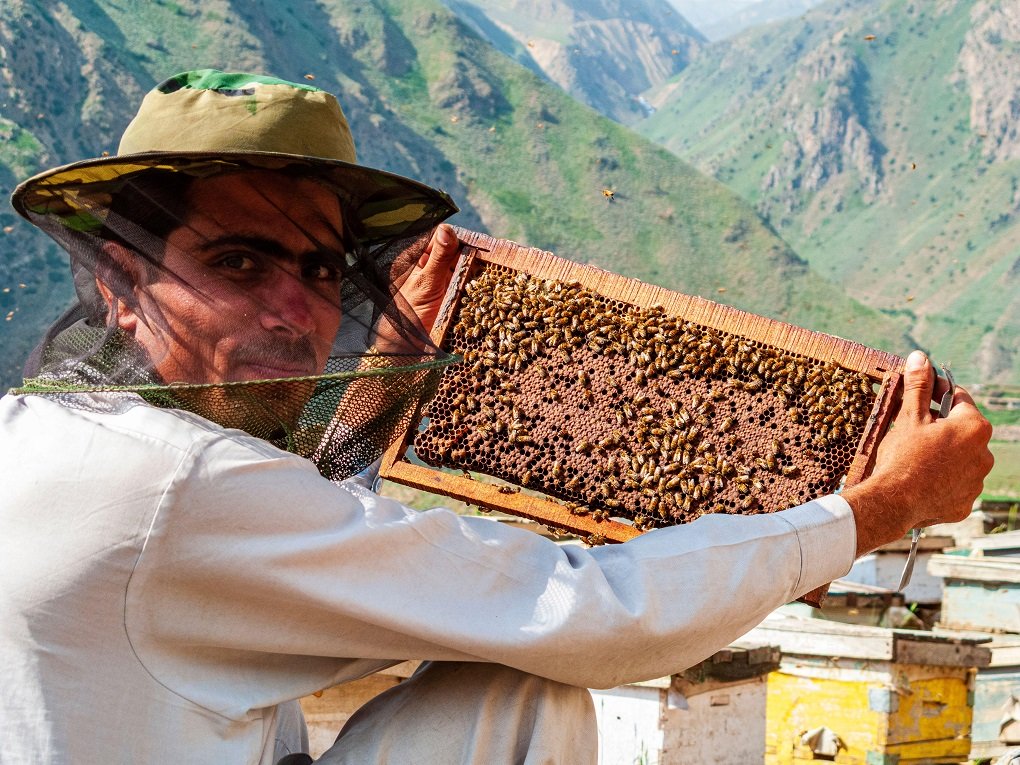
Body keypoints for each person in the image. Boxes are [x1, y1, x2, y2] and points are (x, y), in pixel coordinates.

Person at [0, 69, 993, 765]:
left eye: (319, 272)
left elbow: (282, 524)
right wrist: (876, 508)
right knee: (540, 685)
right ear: (122, 283)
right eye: (238, 264)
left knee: (506, 695)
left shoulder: (69, 445)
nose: (296, 312)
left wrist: (380, 392)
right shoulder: (175, 485)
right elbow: (583, 614)